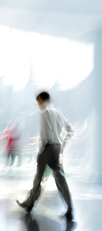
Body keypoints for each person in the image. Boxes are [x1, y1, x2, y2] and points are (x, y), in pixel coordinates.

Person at [16, 91, 74, 221]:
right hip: (57, 147)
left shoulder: (45, 113)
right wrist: (62, 146)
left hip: (47, 149)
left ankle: (29, 204)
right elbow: (70, 130)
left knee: (39, 179)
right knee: (61, 180)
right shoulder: (58, 113)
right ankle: (70, 209)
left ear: (41, 100)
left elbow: (45, 135)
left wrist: (41, 150)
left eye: (38, 102)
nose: (38, 105)